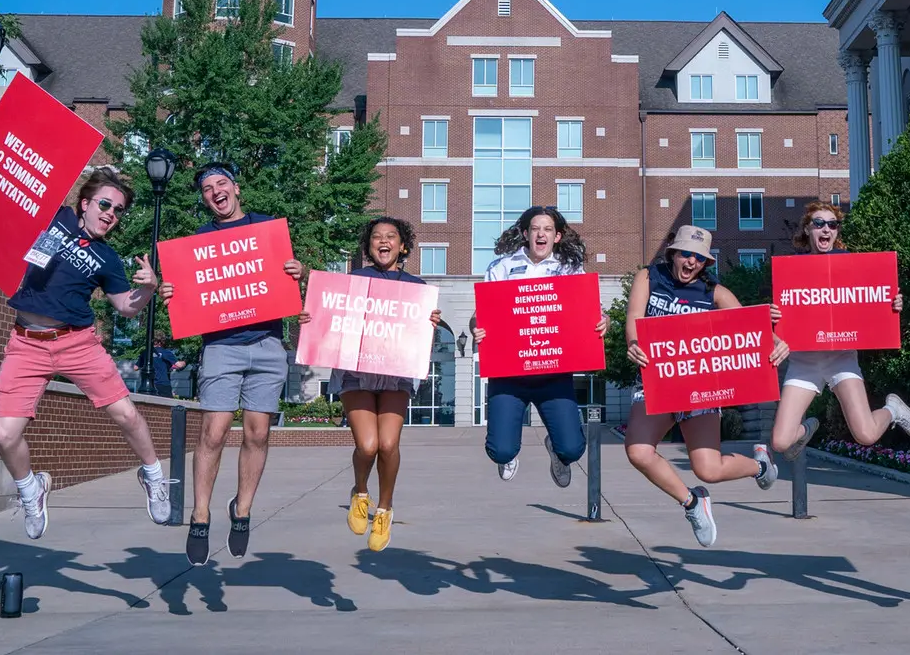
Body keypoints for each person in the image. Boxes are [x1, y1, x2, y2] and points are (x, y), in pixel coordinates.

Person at [0, 163, 172, 540]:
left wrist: (150, 288)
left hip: (77, 343)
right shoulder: (55, 219)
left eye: (118, 211)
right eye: (105, 205)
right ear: (85, 203)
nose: (111, 215)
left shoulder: (106, 258)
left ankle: (153, 475)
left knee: (126, 414)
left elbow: (125, 307)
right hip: (26, 344)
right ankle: (30, 489)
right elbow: (13, 181)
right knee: (5, 435)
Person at [157, 162, 305, 565]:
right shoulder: (199, 242)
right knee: (214, 431)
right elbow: (185, 295)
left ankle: (241, 510)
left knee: (257, 433)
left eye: (221, 184)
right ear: (204, 199)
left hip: (268, 344)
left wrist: (298, 271)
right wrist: (169, 289)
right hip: (222, 345)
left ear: (237, 189)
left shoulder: (267, 230)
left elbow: (289, 279)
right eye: (207, 188)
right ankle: (200, 515)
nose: (215, 192)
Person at [622, 225, 790, 548]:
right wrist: (633, 343)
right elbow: (633, 317)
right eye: (686, 254)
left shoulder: (715, 292)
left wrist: (778, 341)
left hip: (700, 386)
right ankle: (692, 503)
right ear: (673, 252)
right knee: (639, 452)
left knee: (708, 470)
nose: (691, 262)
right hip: (658, 381)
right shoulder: (649, 277)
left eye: (699, 258)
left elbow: (750, 327)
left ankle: (759, 464)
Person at [317, 215, 446, 551]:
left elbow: (419, 338)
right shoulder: (352, 280)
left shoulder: (417, 288)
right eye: (377, 236)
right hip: (356, 373)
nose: (383, 241)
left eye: (391, 236)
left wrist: (430, 322)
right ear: (369, 245)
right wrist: (313, 315)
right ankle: (360, 490)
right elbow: (328, 319)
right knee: (369, 445)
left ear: (403, 246)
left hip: (395, 373)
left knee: (388, 444)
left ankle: (384, 509)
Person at [765, 201, 910, 464]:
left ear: (837, 231)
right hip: (804, 361)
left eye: (832, 224)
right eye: (818, 224)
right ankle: (809, 428)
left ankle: (893, 410)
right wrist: (771, 316)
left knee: (867, 435)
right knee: (780, 442)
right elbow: (781, 316)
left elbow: (875, 299)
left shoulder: (852, 264)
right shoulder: (791, 269)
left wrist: (892, 304)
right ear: (807, 229)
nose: (825, 229)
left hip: (841, 357)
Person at [472, 205, 607, 488]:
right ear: (525, 233)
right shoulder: (501, 267)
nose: (541, 234)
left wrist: (602, 320)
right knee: (499, 450)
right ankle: (508, 456)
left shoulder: (570, 269)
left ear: (557, 236)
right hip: (509, 376)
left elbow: (588, 313)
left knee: (572, 450)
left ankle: (557, 452)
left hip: (554, 374)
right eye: (535, 229)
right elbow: (481, 315)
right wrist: (476, 327)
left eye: (547, 229)